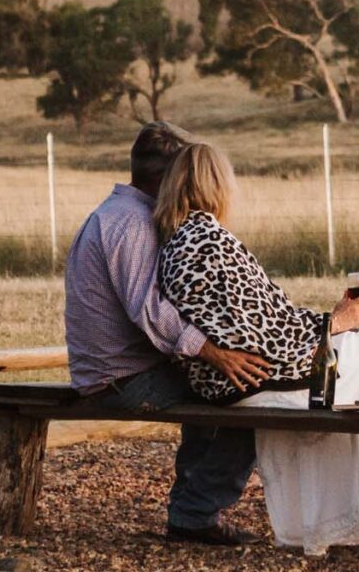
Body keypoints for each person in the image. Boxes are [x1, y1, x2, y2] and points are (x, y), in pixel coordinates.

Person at [152, 141, 359, 555]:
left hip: (216, 381)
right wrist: (336, 322)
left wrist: (326, 323)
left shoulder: (175, 244)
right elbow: (269, 335)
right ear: (217, 185)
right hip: (254, 379)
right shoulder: (213, 242)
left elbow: (256, 323)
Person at [64, 121, 273, 545]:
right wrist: (216, 353)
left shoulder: (115, 213)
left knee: (216, 388)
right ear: (166, 176)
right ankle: (195, 513)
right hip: (121, 379)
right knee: (251, 398)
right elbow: (151, 310)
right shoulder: (134, 224)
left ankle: (191, 511)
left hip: (113, 372)